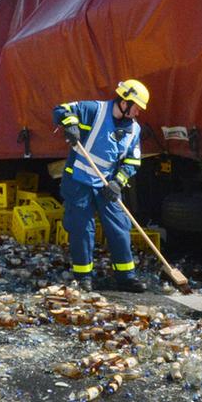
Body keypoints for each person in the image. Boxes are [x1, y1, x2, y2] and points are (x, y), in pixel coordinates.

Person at [52, 79, 149, 293]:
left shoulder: (134, 130)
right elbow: (62, 109)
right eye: (137, 108)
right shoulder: (94, 110)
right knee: (82, 228)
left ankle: (126, 277)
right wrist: (70, 124)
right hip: (78, 182)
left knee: (119, 227)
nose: (138, 113)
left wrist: (118, 182)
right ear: (125, 102)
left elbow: (133, 161)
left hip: (106, 184)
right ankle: (84, 276)